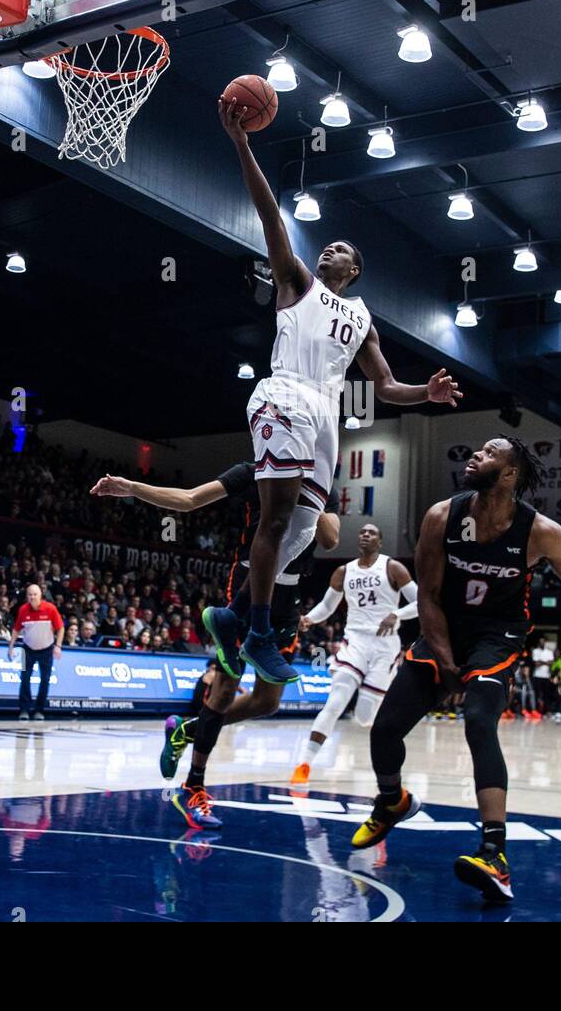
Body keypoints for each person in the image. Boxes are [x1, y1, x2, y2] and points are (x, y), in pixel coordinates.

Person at [212, 92, 461, 688]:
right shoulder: (297, 281)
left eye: (342, 250)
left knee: (302, 531)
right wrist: (243, 144)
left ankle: (232, 614)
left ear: (354, 271)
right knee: (275, 522)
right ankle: (257, 632)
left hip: (328, 413)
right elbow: (271, 217)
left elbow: (384, 388)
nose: (330, 248)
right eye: (327, 245)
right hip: (285, 395)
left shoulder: (363, 317)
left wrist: (424, 394)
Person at [351, 438, 561, 905]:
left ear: (510, 474)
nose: (475, 455)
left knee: (479, 721)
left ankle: (494, 854)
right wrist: (447, 661)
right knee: (385, 729)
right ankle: (391, 800)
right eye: (477, 450)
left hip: (499, 635)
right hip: (443, 630)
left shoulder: (542, 532)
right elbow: (428, 596)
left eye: (489, 452)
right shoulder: (441, 516)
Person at [91, 461, 339, 829]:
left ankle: (187, 729)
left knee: (267, 702)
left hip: (290, 595)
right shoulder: (255, 470)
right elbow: (190, 499)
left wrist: (307, 493)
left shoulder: (321, 482)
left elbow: (331, 538)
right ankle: (194, 787)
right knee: (223, 692)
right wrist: (132, 487)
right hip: (249, 584)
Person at [291, 522, 417, 784]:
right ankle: (304, 763)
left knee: (363, 716)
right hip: (355, 642)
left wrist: (397, 614)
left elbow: (422, 602)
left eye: (371, 532)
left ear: (380, 542)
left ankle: (382, 716)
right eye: (362, 531)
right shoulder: (342, 572)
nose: (365, 535)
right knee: (335, 703)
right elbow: (327, 606)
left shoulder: (393, 567)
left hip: (385, 646)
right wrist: (309, 619)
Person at [9, 584, 64, 722]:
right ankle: (24, 710)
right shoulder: (23, 610)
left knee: (45, 680)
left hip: (47, 649)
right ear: (27, 596)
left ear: (40, 595)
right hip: (27, 649)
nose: (32, 597)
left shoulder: (50, 609)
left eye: (35, 594)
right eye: (30, 594)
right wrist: (11, 646)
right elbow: (16, 629)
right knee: (24, 678)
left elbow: (61, 628)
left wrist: (58, 646)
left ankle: (39, 710)